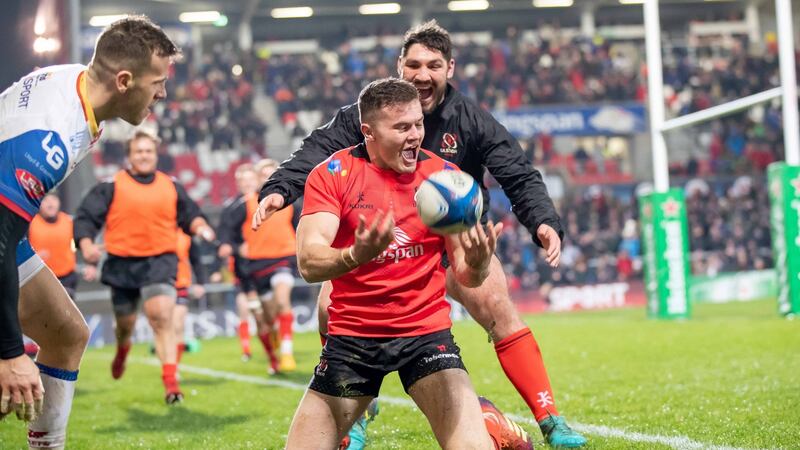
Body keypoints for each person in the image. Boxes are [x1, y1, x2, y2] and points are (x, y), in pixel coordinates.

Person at [254, 20, 586, 448]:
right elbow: (313, 154)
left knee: (497, 303)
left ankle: (549, 417)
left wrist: (542, 220)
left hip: (452, 238)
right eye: (413, 64)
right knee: (328, 308)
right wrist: (279, 189)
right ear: (400, 67)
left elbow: (515, 172)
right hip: (376, 243)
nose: (422, 74)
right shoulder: (364, 116)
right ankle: (354, 413)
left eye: (433, 65)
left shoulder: (469, 121)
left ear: (449, 68)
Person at [286, 77, 530, 450]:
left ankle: (489, 428)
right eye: (401, 127)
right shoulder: (332, 175)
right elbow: (308, 262)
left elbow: (465, 272)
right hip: (353, 342)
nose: (415, 134)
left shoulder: (445, 181)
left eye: (418, 123)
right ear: (368, 131)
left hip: (425, 337)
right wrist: (355, 255)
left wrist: (479, 265)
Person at [0, 15, 178, 449]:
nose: (163, 93)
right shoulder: (51, 139)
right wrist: (9, 353)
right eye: (157, 82)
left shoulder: (73, 82)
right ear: (123, 80)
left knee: (66, 335)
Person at [74, 130, 215, 404]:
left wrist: (201, 226)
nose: (144, 155)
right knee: (125, 324)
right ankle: (123, 348)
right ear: (129, 156)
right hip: (122, 264)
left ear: (156, 154)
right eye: (138, 151)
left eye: (148, 151)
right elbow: (86, 217)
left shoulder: (171, 186)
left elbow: (191, 215)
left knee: (161, 316)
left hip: (160, 261)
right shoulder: (111, 185)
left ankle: (171, 384)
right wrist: (87, 244)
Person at [218, 163, 280, 371]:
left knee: (270, 315)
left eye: (250, 180)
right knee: (256, 316)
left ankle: (277, 339)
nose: (247, 184)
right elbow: (225, 239)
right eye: (242, 181)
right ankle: (273, 359)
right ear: (237, 183)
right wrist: (236, 248)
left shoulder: (266, 202)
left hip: (264, 265)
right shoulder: (233, 208)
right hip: (244, 273)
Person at [27, 193, 84, 299]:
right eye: (46, 200)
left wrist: (91, 264)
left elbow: (81, 242)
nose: (50, 204)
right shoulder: (30, 224)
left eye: (53, 199)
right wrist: (33, 256)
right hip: (41, 277)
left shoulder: (68, 221)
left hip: (67, 276)